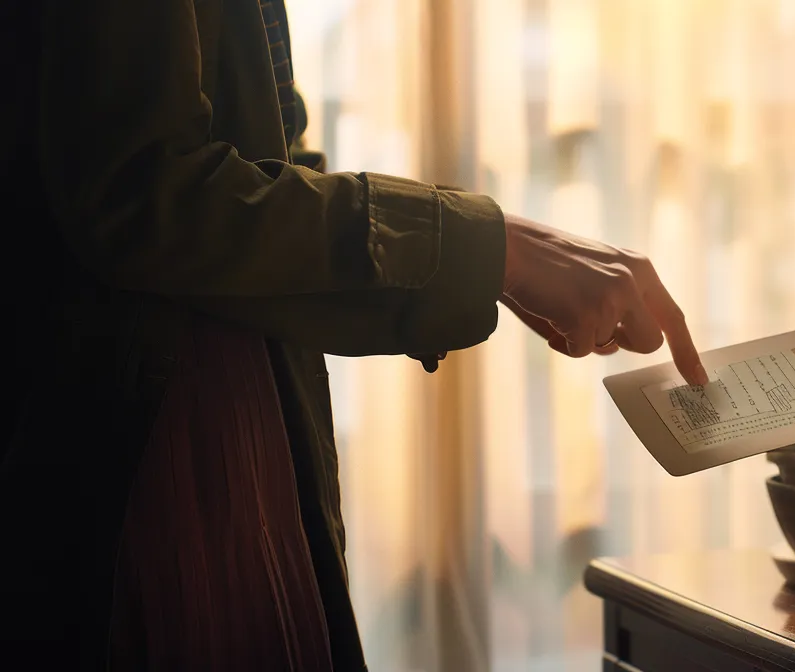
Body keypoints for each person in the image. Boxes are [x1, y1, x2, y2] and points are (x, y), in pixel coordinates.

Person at [0, 0, 708, 669]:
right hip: (146, 486)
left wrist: (488, 257)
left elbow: (265, 165)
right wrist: (490, 249)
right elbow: (143, 193)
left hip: (226, 448)